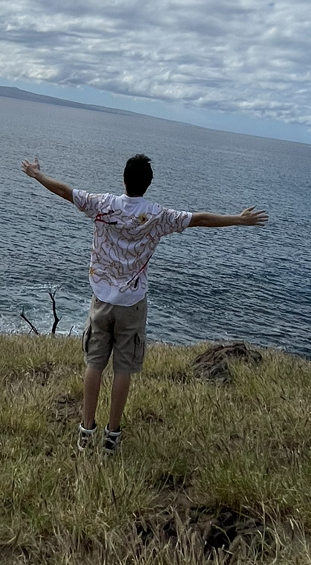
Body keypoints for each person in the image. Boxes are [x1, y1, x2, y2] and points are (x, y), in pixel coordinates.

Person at [21, 152, 267, 455]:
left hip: (101, 299)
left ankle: (86, 431)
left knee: (94, 364)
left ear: (124, 179)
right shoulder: (157, 215)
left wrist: (36, 174)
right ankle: (112, 435)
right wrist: (239, 220)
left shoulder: (102, 204)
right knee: (123, 368)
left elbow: (64, 190)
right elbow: (200, 219)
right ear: (148, 184)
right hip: (133, 303)